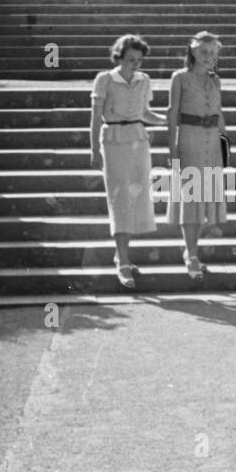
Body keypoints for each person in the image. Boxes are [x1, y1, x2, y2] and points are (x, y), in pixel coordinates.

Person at [90, 34, 166, 289]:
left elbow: (145, 113)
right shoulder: (104, 79)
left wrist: (169, 120)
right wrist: (92, 150)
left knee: (136, 199)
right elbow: (95, 118)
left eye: (139, 60)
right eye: (131, 59)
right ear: (120, 57)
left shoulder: (144, 81)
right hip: (112, 142)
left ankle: (122, 254)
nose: (135, 64)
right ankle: (122, 259)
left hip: (138, 141)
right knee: (119, 198)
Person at [166, 31, 228, 280]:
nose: (208, 57)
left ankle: (192, 251)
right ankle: (191, 255)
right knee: (191, 199)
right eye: (203, 51)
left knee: (207, 199)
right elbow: (171, 113)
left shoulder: (215, 80)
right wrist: (172, 149)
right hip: (189, 140)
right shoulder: (180, 78)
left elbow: (219, 112)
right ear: (192, 51)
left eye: (212, 53)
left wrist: (226, 144)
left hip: (212, 141)